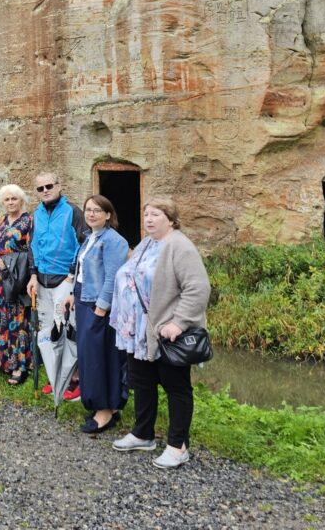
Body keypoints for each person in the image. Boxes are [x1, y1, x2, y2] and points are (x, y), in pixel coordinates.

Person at [110, 198, 210, 469]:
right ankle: (143, 434)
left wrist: (179, 323)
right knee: (142, 382)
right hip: (140, 333)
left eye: (156, 214)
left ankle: (178, 446)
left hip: (167, 332)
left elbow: (198, 288)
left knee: (176, 388)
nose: (149, 219)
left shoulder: (179, 246)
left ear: (171, 219)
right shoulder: (147, 243)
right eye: (146, 214)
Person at [66, 195, 130, 433]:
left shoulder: (114, 241)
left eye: (97, 210)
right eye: (88, 210)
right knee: (88, 355)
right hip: (84, 300)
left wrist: (102, 307)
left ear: (108, 215)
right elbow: (83, 272)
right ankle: (106, 407)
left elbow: (113, 276)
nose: (91, 214)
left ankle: (105, 411)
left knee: (98, 358)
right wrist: (73, 294)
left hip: (99, 305)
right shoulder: (89, 237)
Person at [25, 170, 88, 399]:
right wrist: (32, 275)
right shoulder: (37, 214)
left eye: (49, 186)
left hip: (64, 279)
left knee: (67, 330)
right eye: (40, 188)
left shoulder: (73, 212)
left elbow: (85, 243)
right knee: (48, 331)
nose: (45, 191)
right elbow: (32, 247)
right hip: (41, 281)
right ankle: (56, 376)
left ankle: (76, 380)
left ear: (59, 185)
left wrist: (73, 274)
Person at [0, 185, 34, 385]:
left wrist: (13, 263)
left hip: (18, 277)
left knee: (19, 319)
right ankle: (6, 361)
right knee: (4, 316)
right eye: (7, 199)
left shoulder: (29, 221)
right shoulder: (0, 220)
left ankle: (20, 366)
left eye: (14, 199)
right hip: (1, 277)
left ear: (21, 200)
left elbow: (32, 251)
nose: (10, 203)